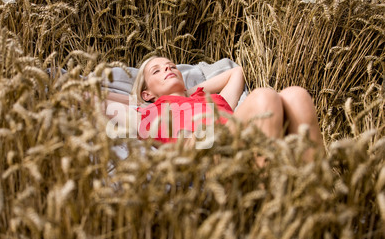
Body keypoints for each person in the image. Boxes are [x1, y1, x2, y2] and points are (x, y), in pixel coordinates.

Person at [105, 56, 324, 161]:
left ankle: (317, 200)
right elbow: (93, 96)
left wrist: (187, 93)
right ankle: (269, 203)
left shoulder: (213, 99)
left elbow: (236, 72)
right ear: (147, 93)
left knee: (296, 95)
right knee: (264, 97)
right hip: (204, 147)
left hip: (237, 134)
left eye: (171, 66)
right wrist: (163, 98)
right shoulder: (145, 112)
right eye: (157, 71)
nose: (168, 69)